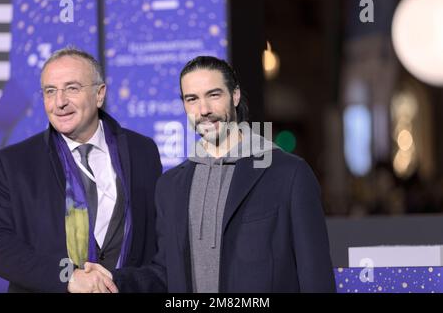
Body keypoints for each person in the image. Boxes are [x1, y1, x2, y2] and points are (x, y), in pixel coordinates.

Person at [86, 55, 336, 292]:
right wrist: (113, 280)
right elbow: (165, 273)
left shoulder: (288, 174)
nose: (203, 109)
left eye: (213, 95)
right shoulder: (171, 186)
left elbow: (315, 276)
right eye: (192, 99)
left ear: (235, 95)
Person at [0, 47, 162, 292]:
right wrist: (67, 277)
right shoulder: (12, 164)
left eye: (72, 88)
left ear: (99, 94)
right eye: (50, 91)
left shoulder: (142, 151)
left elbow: (157, 243)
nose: (60, 102)